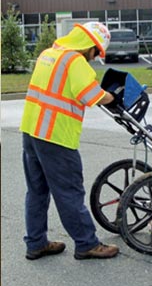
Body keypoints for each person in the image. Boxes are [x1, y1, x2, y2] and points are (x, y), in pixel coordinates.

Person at [20, 22, 119, 260]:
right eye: (97, 52)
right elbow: (91, 95)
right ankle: (87, 243)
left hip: (31, 131)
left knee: (36, 191)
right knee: (69, 192)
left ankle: (36, 243)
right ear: (90, 46)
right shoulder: (75, 61)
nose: (95, 58)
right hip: (56, 136)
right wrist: (113, 96)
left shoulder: (48, 54)